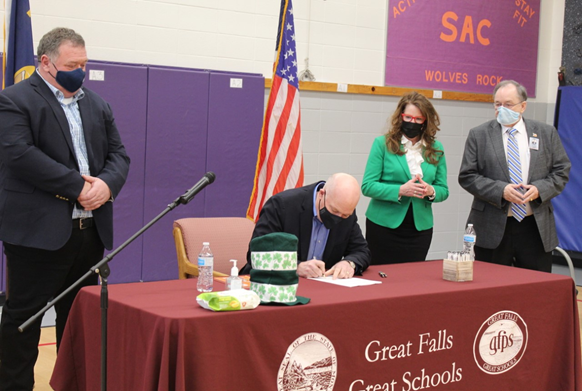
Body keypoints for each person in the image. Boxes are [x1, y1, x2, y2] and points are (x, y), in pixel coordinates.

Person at [0, 27, 130, 390]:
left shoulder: (97, 104)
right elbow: (20, 155)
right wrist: (78, 188)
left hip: (89, 234)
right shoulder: (14, 100)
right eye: (72, 64)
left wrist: (106, 185)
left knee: (78, 324)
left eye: (84, 64)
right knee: (23, 320)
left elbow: (119, 155)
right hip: (37, 235)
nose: (80, 71)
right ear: (46, 62)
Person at [458, 80, 570, 272]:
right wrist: (501, 191)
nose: (502, 109)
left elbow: (561, 171)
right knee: (491, 287)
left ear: (523, 106)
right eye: (497, 104)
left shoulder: (545, 133)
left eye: (508, 104)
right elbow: (467, 176)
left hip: (535, 226)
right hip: (491, 224)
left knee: (535, 288)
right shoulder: (479, 134)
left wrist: (539, 189)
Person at [361, 92, 449, 264]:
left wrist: (431, 191)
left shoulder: (436, 148)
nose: (412, 122)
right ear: (400, 117)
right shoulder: (382, 144)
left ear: (426, 120)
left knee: (412, 279)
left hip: (419, 229)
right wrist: (400, 190)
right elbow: (368, 186)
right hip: (383, 226)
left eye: (418, 119)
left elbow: (443, 190)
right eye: (408, 117)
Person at [240, 173, 371, 279]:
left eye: (345, 215)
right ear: (322, 194)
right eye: (334, 211)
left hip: (321, 288)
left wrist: (349, 263)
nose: (339, 217)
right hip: (271, 283)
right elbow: (257, 254)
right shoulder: (282, 205)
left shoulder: (345, 211)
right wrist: (296, 267)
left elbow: (362, 251)